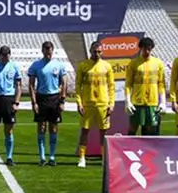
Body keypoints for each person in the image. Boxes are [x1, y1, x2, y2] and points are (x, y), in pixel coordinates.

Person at [75, 40, 115, 168]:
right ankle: (82, 157)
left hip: (103, 103)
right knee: (85, 131)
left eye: (99, 52)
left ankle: (103, 157)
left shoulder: (107, 66)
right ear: (90, 51)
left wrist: (111, 104)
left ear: (102, 52)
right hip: (88, 103)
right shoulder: (83, 66)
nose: (97, 54)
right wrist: (79, 103)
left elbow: (111, 86)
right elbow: (78, 86)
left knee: (103, 132)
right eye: (94, 51)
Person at [28, 41, 67, 166]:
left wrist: (62, 101)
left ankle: (52, 157)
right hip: (41, 98)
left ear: (52, 50)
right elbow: (31, 85)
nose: (48, 52)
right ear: (42, 50)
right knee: (41, 127)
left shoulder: (59, 65)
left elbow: (64, 83)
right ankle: (42, 157)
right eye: (45, 50)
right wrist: (34, 102)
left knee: (53, 128)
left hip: (54, 98)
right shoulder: (36, 65)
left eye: (49, 50)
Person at [125, 37, 166, 136]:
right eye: (144, 49)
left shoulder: (158, 63)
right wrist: (128, 102)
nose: (147, 51)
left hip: (152, 103)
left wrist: (163, 102)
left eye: (149, 49)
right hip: (136, 103)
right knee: (132, 129)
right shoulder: (133, 63)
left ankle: (149, 147)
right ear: (140, 48)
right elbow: (128, 84)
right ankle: (128, 146)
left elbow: (161, 84)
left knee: (150, 131)